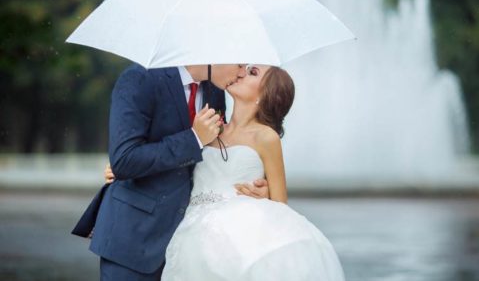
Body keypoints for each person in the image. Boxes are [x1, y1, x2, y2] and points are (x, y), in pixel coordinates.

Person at [106, 64, 345, 280]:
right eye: (243, 67)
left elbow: (280, 205)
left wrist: (266, 194)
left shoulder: (262, 134)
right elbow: (180, 152)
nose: (241, 71)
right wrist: (124, 165)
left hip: (238, 237)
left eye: (251, 72)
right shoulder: (213, 126)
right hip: (187, 232)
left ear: (265, 94)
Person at [72, 63, 269, 281]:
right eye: (239, 64)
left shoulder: (215, 90)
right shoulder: (140, 78)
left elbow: (216, 153)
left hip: (192, 246)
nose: (241, 72)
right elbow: (125, 159)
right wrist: (193, 138)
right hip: (136, 238)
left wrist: (256, 186)